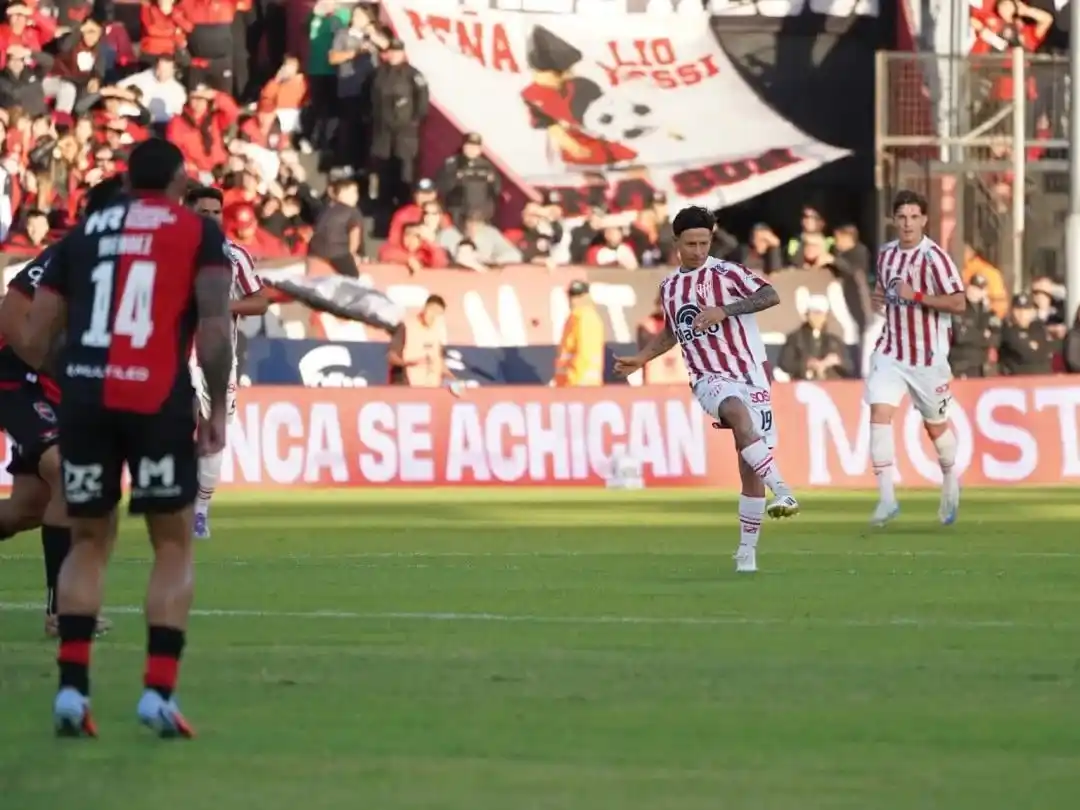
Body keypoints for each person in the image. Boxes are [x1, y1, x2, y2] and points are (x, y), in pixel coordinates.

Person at [18, 138, 234, 738]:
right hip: (157, 399)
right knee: (171, 544)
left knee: (88, 542)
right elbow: (214, 326)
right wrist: (213, 407)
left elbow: (34, 339)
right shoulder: (196, 232)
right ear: (177, 183)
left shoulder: (80, 236)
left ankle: (70, 691)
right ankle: (157, 694)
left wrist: (83, 369)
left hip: (86, 403)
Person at [613, 206, 799, 574]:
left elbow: (770, 295)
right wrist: (643, 358)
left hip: (751, 374)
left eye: (704, 242)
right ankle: (785, 491)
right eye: (691, 243)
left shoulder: (728, 274)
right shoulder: (669, 287)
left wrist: (725, 310)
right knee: (734, 411)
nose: (698, 251)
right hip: (708, 377)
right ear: (676, 243)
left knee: (748, 466)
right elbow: (673, 331)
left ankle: (746, 553)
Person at [0, 177, 125, 639]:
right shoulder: (73, 251)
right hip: (14, 374)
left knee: (27, 509)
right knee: (71, 474)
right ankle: (63, 612)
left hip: (55, 385)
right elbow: (11, 312)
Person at [867, 190, 966, 528]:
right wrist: (877, 299)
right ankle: (886, 499)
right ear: (894, 220)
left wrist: (918, 296)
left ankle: (950, 478)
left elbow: (958, 303)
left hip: (928, 357)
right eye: (902, 217)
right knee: (879, 412)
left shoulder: (935, 258)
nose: (907, 223)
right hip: (891, 350)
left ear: (924, 220)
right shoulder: (886, 255)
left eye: (914, 217)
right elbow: (884, 292)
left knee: (935, 426)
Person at [185, 185, 268, 539]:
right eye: (202, 213)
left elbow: (260, 301)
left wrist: (222, 307)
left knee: (211, 435)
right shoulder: (169, 251)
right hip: (173, 356)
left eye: (215, 213)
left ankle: (200, 510)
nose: (210, 219)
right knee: (181, 423)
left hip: (216, 359)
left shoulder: (235, 256)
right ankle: (178, 500)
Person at [387, 294, 453, 388]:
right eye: (432, 312)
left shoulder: (436, 331)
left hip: (431, 388)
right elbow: (392, 357)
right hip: (406, 385)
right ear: (425, 309)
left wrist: (452, 378)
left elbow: (438, 359)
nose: (434, 317)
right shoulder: (406, 326)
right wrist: (410, 363)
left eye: (438, 315)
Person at [553, 280, 604, 387]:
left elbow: (585, 353)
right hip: (568, 384)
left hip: (581, 384)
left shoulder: (586, 317)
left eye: (577, 295)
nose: (573, 300)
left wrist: (574, 381)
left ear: (586, 296)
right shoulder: (573, 318)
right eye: (571, 295)